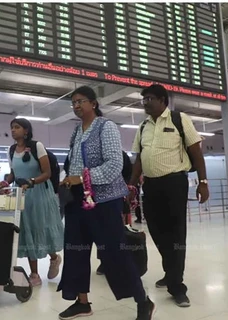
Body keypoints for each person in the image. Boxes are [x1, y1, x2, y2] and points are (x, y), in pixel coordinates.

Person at [58, 86, 155, 320]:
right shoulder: (76, 131)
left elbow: (114, 166)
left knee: (114, 254)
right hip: (77, 202)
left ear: (94, 103)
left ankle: (143, 301)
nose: (76, 106)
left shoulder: (106, 127)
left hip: (104, 202)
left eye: (81, 101)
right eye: (73, 103)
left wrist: (81, 178)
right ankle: (82, 303)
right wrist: (69, 181)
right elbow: (72, 163)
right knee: (76, 252)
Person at [129, 84, 209, 308]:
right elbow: (139, 160)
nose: (145, 103)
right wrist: (131, 186)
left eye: (150, 99)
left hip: (174, 183)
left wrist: (203, 182)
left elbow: (196, 153)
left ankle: (177, 286)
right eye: (143, 100)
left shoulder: (179, 119)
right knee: (156, 230)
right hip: (151, 186)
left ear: (163, 100)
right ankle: (171, 271)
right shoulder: (143, 126)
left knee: (175, 234)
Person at [7, 118, 64, 287]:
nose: (13, 130)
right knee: (28, 230)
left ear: (26, 130)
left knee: (41, 229)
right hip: (22, 194)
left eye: (17, 127)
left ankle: (54, 258)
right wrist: (5, 182)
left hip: (40, 194)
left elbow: (47, 173)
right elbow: (13, 173)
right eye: (11, 128)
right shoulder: (10, 150)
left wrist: (32, 181)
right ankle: (34, 274)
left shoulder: (37, 146)